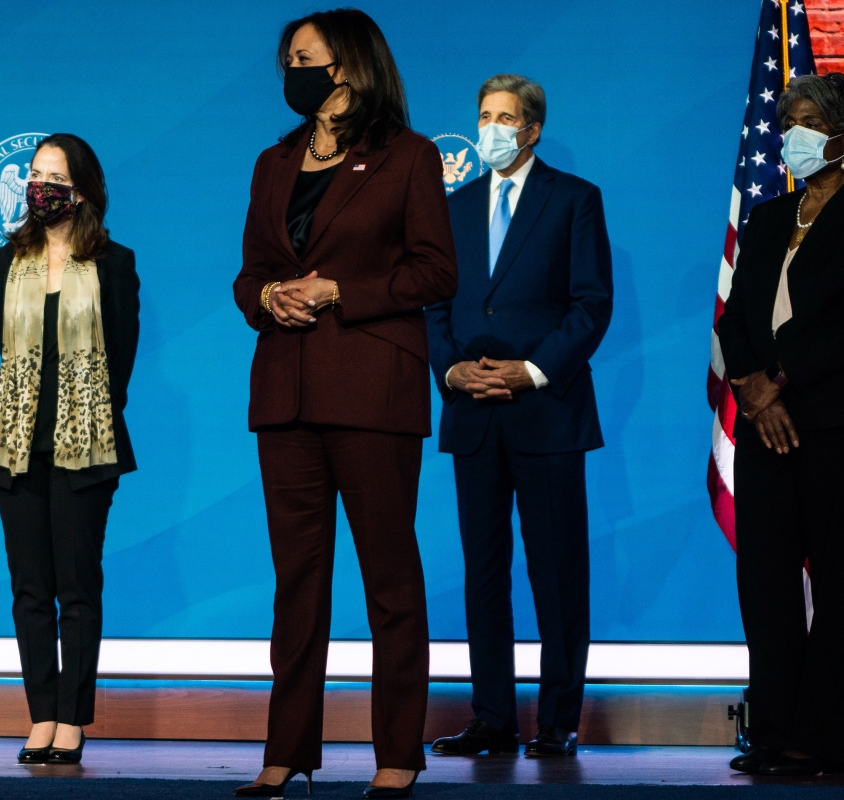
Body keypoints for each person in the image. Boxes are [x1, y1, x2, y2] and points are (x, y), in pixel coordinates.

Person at [231, 10, 457, 799]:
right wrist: (267, 296)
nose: (291, 69)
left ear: (349, 65)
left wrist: (338, 292)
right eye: (287, 58)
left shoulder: (408, 157)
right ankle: (285, 751)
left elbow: (435, 273)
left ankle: (397, 754)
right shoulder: (274, 160)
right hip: (285, 395)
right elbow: (248, 273)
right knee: (297, 583)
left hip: (371, 390)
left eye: (305, 57)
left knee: (389, 582)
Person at [718, 73, 844, 777]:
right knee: (764, 583)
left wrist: (779, 378)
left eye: (803, 121)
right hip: (767, 422)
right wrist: (753, 390)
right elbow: (736, 316)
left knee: (836, 587)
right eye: (786, 119)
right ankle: (771, 732)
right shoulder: (769, 218)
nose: (788, 135)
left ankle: (819, 743)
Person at [425, 74, 612, 759]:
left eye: (505, 117)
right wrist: (451, 369)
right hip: (473, 413)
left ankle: (558, 721)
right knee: (484, 572)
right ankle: (493, 718)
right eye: (484, 115)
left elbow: (591, 304)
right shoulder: (455, 206)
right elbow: (434, 307)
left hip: (546, 410)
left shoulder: (575, 200)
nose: (492, 128)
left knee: (557, 572)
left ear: (532, 128)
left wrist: (530, 370)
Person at [0, 133, 140, 765]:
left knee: (78, 586)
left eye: (54, 176)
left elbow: (118, 362)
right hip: (14, 446)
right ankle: (40, 713)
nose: (40, 186)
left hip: (85, 447)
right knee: (29, 589)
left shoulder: (113, 263)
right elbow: (6, 350)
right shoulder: (4, 262)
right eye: (34, 174)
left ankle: (73, 719)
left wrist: (83, 417)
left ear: (82, 188)